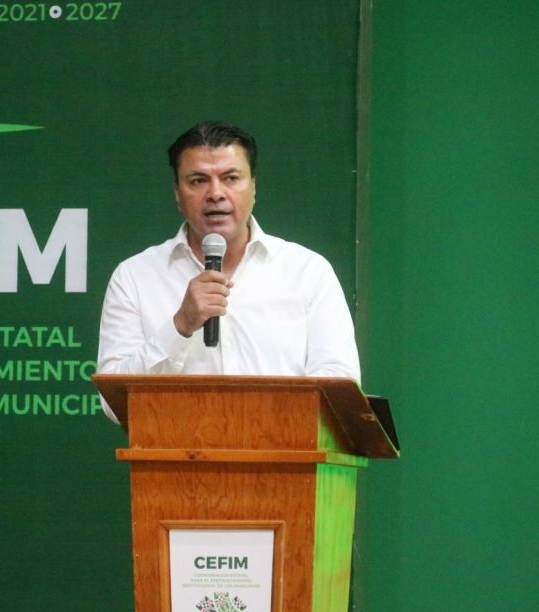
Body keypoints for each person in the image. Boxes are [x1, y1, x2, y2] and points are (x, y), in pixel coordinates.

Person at [97, 121, 360, 415]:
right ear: (177, 194)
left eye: (231, 178)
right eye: (198, 180)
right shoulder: (134, 277)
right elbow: (112, 404)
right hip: (176, 444)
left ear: (254, 187)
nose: (216, 193)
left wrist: (260, 425)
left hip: (282, 443)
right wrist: (180, 326)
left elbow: (338, 385)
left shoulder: (307, 272)